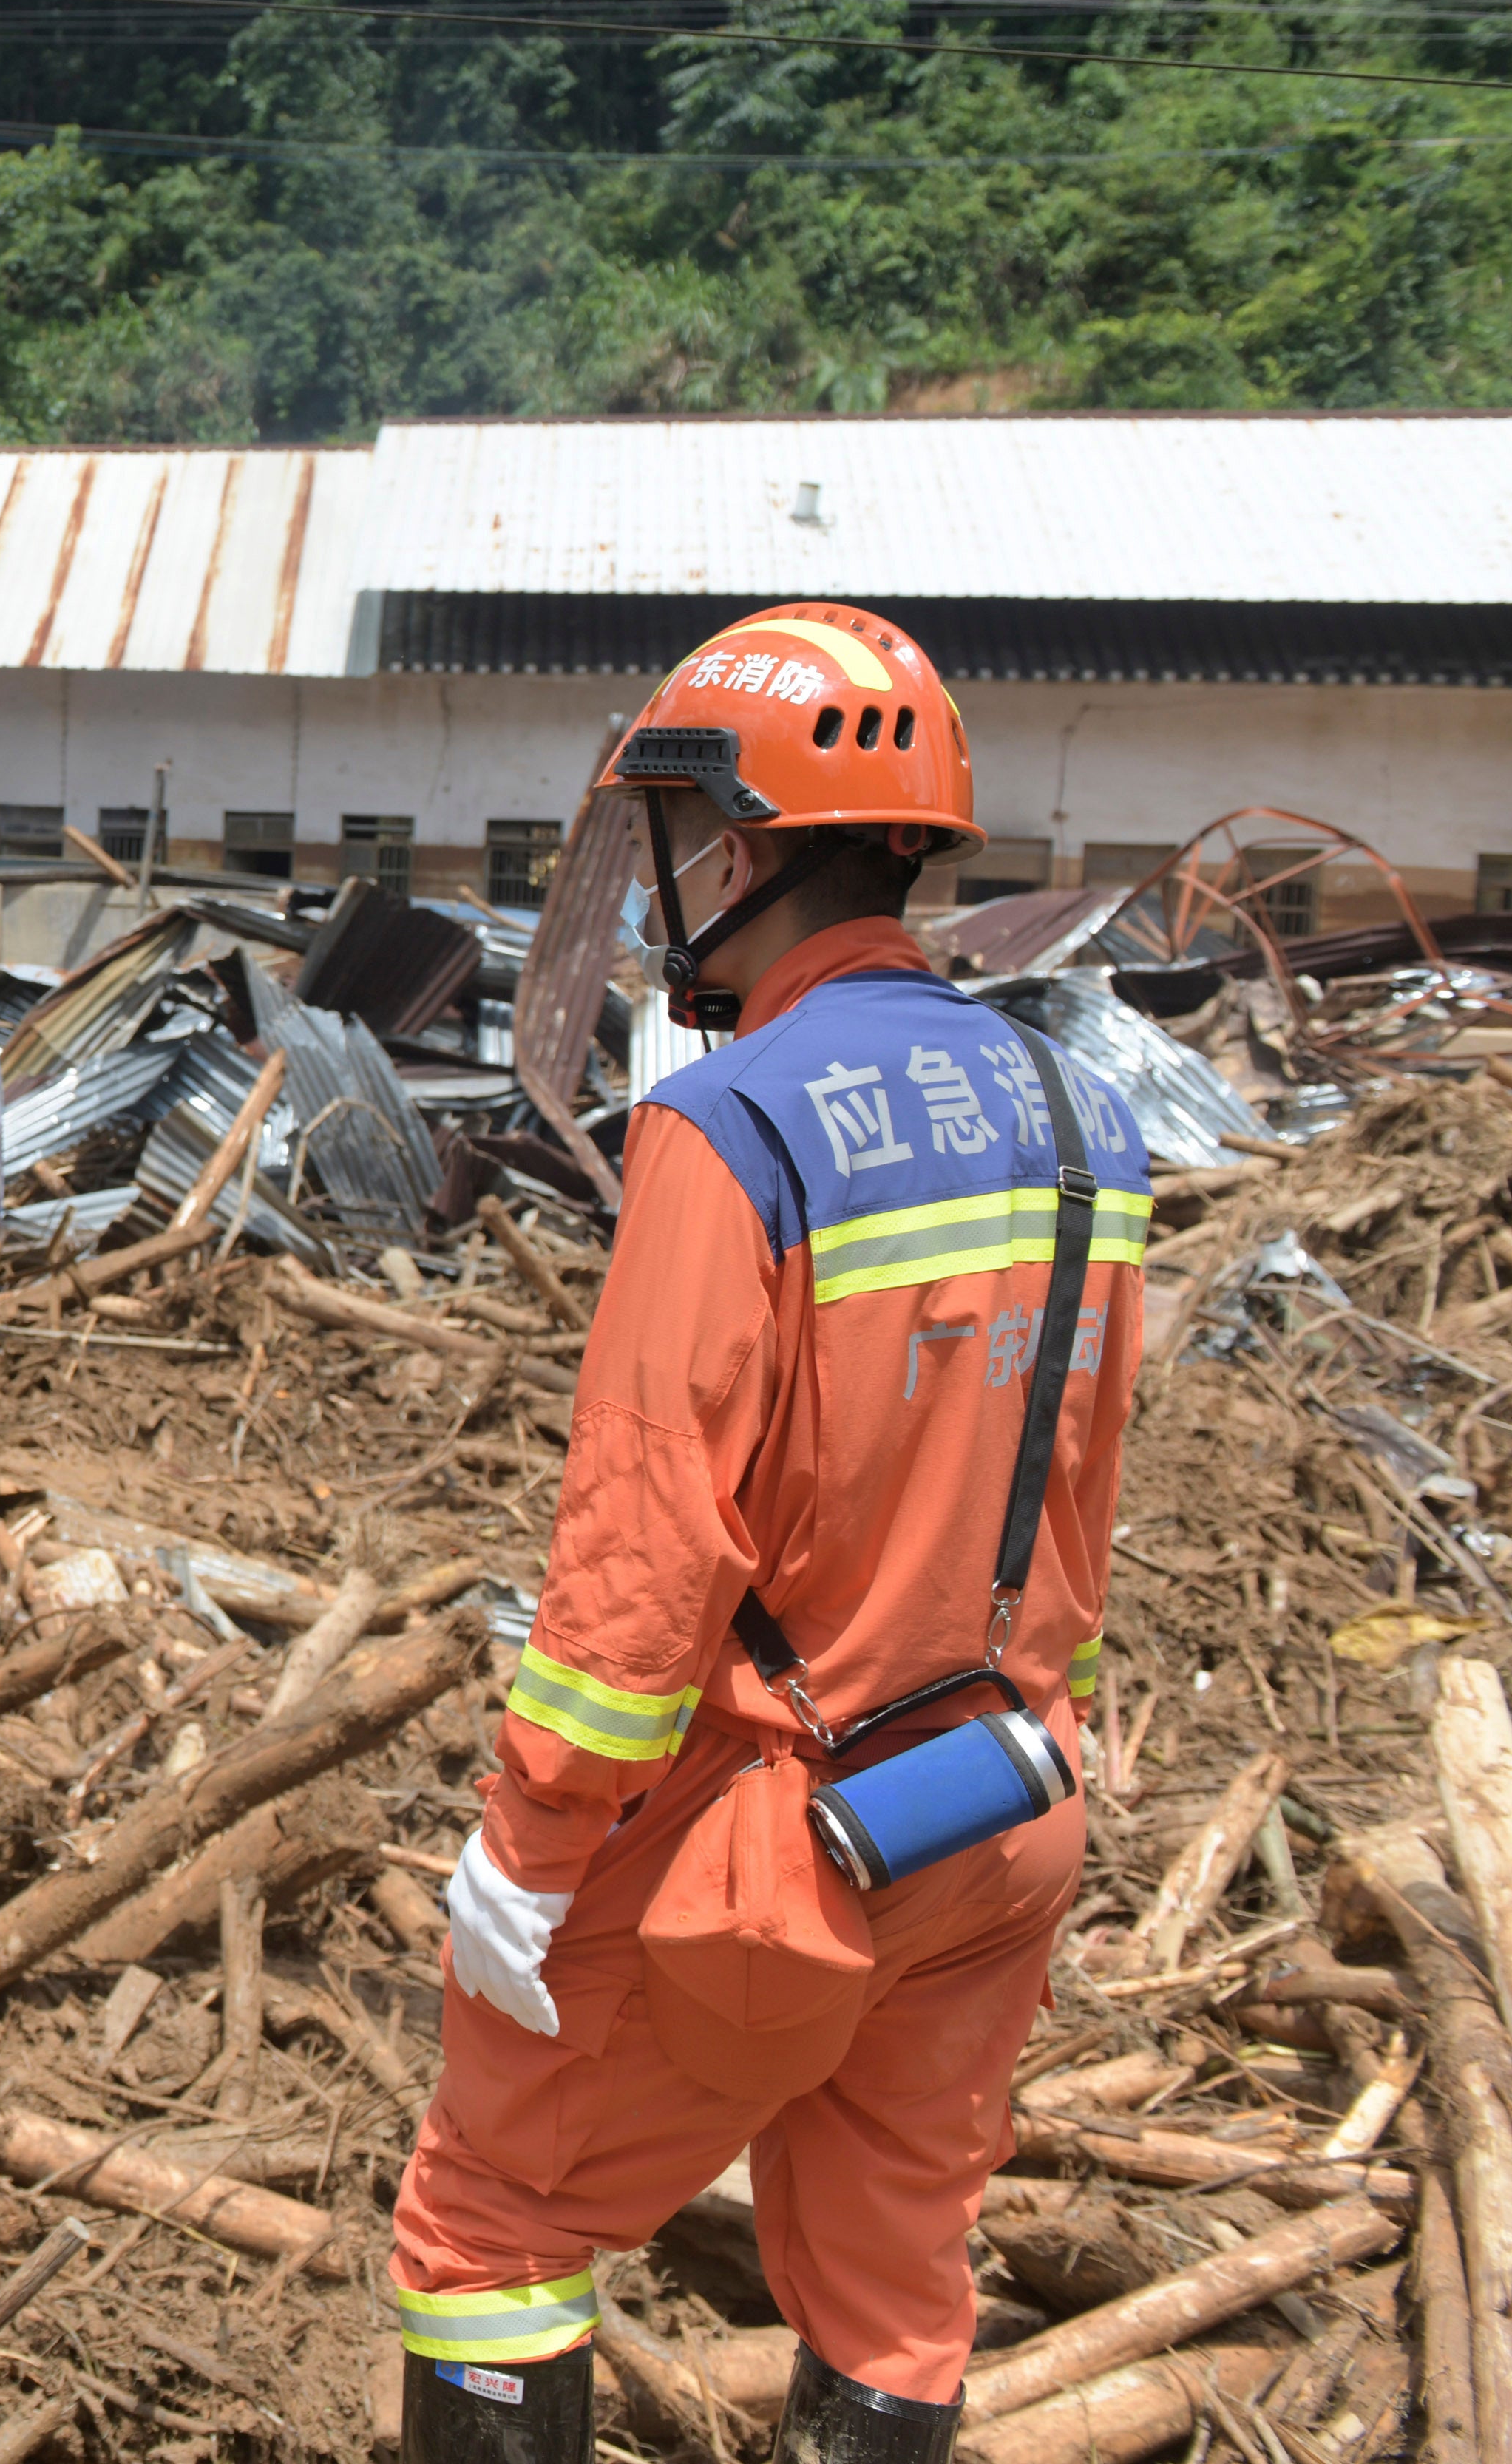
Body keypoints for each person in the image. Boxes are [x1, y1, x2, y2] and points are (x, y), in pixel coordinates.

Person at [387, 604, 1151, 2464]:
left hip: (774, 1848)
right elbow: (1080, 1493)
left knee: (488, 2224)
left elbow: (643, 1550)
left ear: (736, 850)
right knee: (895, 2266)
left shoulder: (726, 1127)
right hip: (1005, 1809)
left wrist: (532, 1839)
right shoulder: (1085, 1118)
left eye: (676, 849)